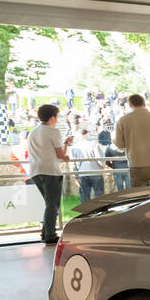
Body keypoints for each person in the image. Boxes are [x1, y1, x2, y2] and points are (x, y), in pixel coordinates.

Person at [27, 104, 70, 245]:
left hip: (35, 171)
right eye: (57, 117)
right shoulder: (53, 132)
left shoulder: (32, 132)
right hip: (50, 171)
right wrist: (66, 152)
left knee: (49, 203)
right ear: (52, 117)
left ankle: (46, 233)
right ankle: (50, 235)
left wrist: (65, 145)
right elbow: (60, 155)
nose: (57, 119)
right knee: (52, 204)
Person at [114, 94, 150, 187]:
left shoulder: (123, 120)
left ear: (130, 104)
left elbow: (119, 144)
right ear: (144, 103)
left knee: (140, 195)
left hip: (136, 163)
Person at [70, 129, 105, 203]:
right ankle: (100, 212)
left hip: (83, 173)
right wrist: (102, 166)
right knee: (99, 194)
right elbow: (100, 159)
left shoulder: (74, 147)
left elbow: (74, 163)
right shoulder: (93, 144)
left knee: (84, 195)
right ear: (85, 135)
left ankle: (86, 212)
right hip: (95, 172)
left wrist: (76, 176)